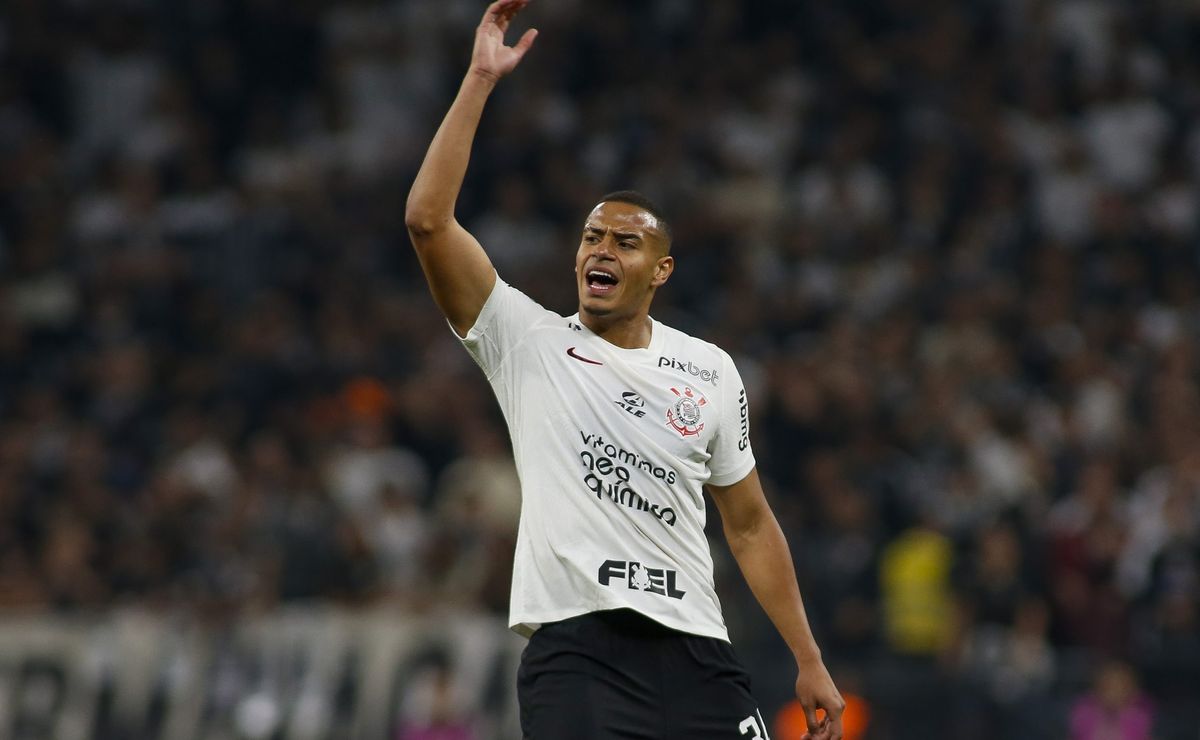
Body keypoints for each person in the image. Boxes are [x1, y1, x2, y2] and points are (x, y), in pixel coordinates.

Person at [404, 1, 845, 737]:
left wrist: (808, 656)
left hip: (699, 651)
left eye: (625, 242)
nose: (601, 250)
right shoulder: (527, 340)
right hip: (580, 655)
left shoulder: (709, 369)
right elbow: (428, 221)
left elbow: (748, 525)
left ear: (661, 270)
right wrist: (479, 81)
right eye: (591, 237)